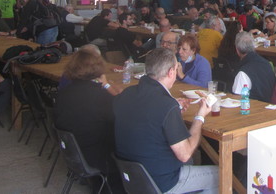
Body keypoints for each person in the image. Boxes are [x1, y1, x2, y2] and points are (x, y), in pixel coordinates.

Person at [114, 48, 218, 193]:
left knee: (191, 162)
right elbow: (185, 154)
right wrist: (200, 117)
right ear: (171, 72)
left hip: (131, 177)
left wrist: (173, 109)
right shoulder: (166, 105)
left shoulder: (126, 94)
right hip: (161, 182)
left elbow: (147, 116)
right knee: (220, 174)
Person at [54, 49, 122, 192]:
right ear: (98, 68)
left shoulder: (63, 92)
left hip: (72, 151)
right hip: (95, 155)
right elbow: (119, 119)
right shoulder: (100, 96)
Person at [232, 32, 276, 102]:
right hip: (270, 105)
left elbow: (236, 100)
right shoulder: (267, 64)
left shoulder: (243, 72)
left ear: (237, 50)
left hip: (253, 107)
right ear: (253, 47)